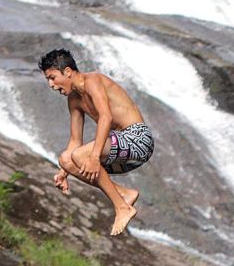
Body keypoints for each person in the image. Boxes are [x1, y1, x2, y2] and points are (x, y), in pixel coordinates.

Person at [38, 47, 154, 236]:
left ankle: (122, 208)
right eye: (47, 80)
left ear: (67, 71)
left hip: (139, 140)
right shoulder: (74, 100)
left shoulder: (93, 80)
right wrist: (64, 172)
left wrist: (93, 157)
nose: (51, 84)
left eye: (52, 77)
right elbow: (75, 140)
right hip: (121, 151)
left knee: (82, 156)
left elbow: (106, 117)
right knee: (66, 159)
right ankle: (124, 194)